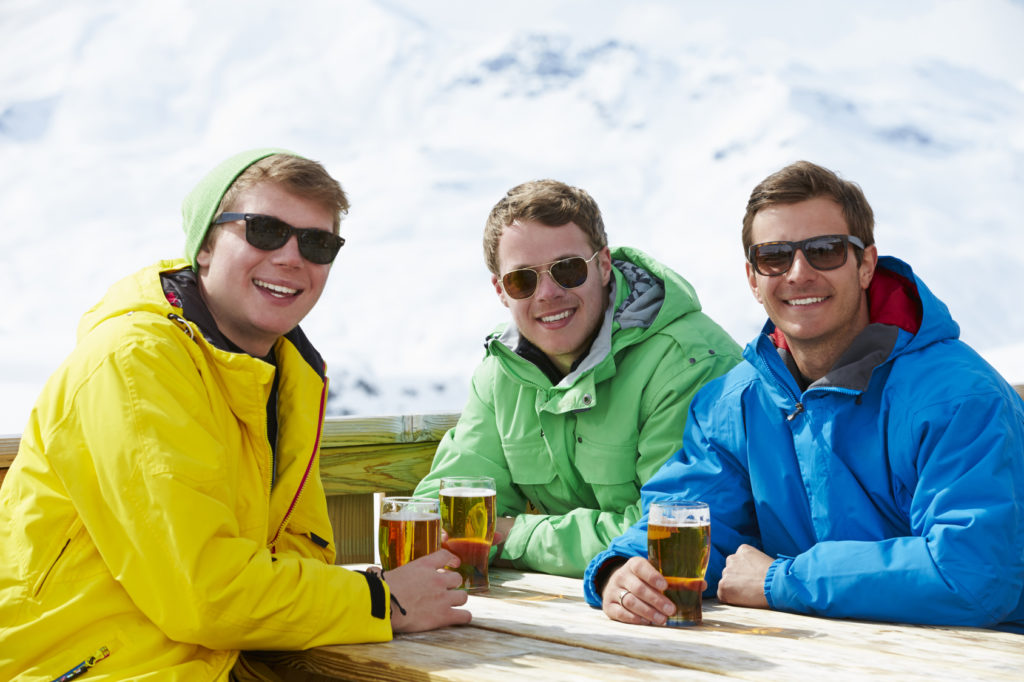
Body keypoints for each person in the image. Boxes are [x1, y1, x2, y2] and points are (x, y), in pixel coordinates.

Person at [0, 148, 470, 681]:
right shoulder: (136, 362)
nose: (292, 257)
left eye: (318, 243)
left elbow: (300, 554)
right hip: (91, 668)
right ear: (204, 245)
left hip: (218, 662)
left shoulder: (285, 376)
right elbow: (203, 593)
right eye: (265, 231)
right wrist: (382, 600)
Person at [584, 160, 1024, 633]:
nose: (799, 272)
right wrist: (624, 573)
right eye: (774, 256)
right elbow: (693, 519)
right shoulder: (735, 405)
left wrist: (781, 581)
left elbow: (972, 574)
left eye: (825, 250)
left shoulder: (958, 399)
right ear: (753, 279)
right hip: (816, 655)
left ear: (865, 265)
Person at [414, 179, 742, 577]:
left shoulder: (685, 361)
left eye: (567, 270)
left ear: (603, 265)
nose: (548, 293)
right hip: (576, 604)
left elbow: (668, 534)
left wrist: (515, 536)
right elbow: (447, 513)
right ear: (502, 291)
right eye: (523, 280)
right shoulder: (501, 373)